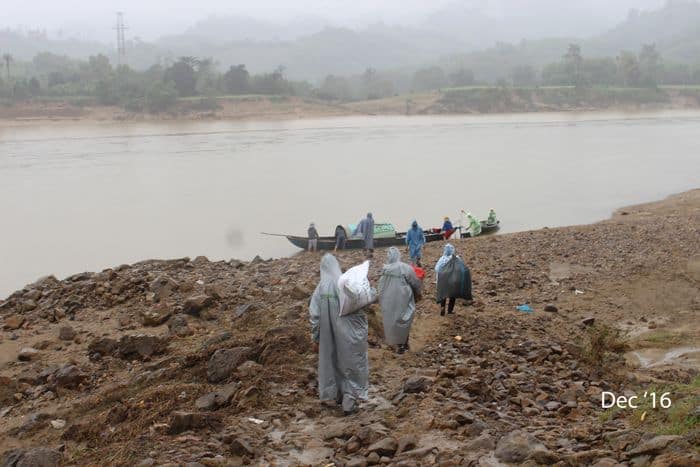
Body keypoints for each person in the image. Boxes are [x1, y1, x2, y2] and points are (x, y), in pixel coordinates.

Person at [309, 254, 369, 415]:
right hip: (347, 332)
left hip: (328, 335)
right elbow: (358, 301)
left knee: (333, 362)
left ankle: (337, 395)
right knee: (350, 363)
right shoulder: (343, 283)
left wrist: (316, 337)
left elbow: (314, 315)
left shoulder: (320, 288)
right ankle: (349, 402)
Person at [378, 247, 422, 354]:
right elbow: (415, 282)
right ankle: (403, 344)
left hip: (388, 300)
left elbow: (380, 286)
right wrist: (418, 293)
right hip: (403, 299)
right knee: (404, 320)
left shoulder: (385, 269)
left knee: (392, 321)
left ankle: (398, 344)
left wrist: (381, 298)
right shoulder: (404, 268)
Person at [435, 243, 473, 316]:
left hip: (442, 281)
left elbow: (437, 269)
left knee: (443, 294)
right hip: (453, 281)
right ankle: (450, 311)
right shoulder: (457, 259)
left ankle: (442, 308)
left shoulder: (442, 259)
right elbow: (462, 269)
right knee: (452, 296)